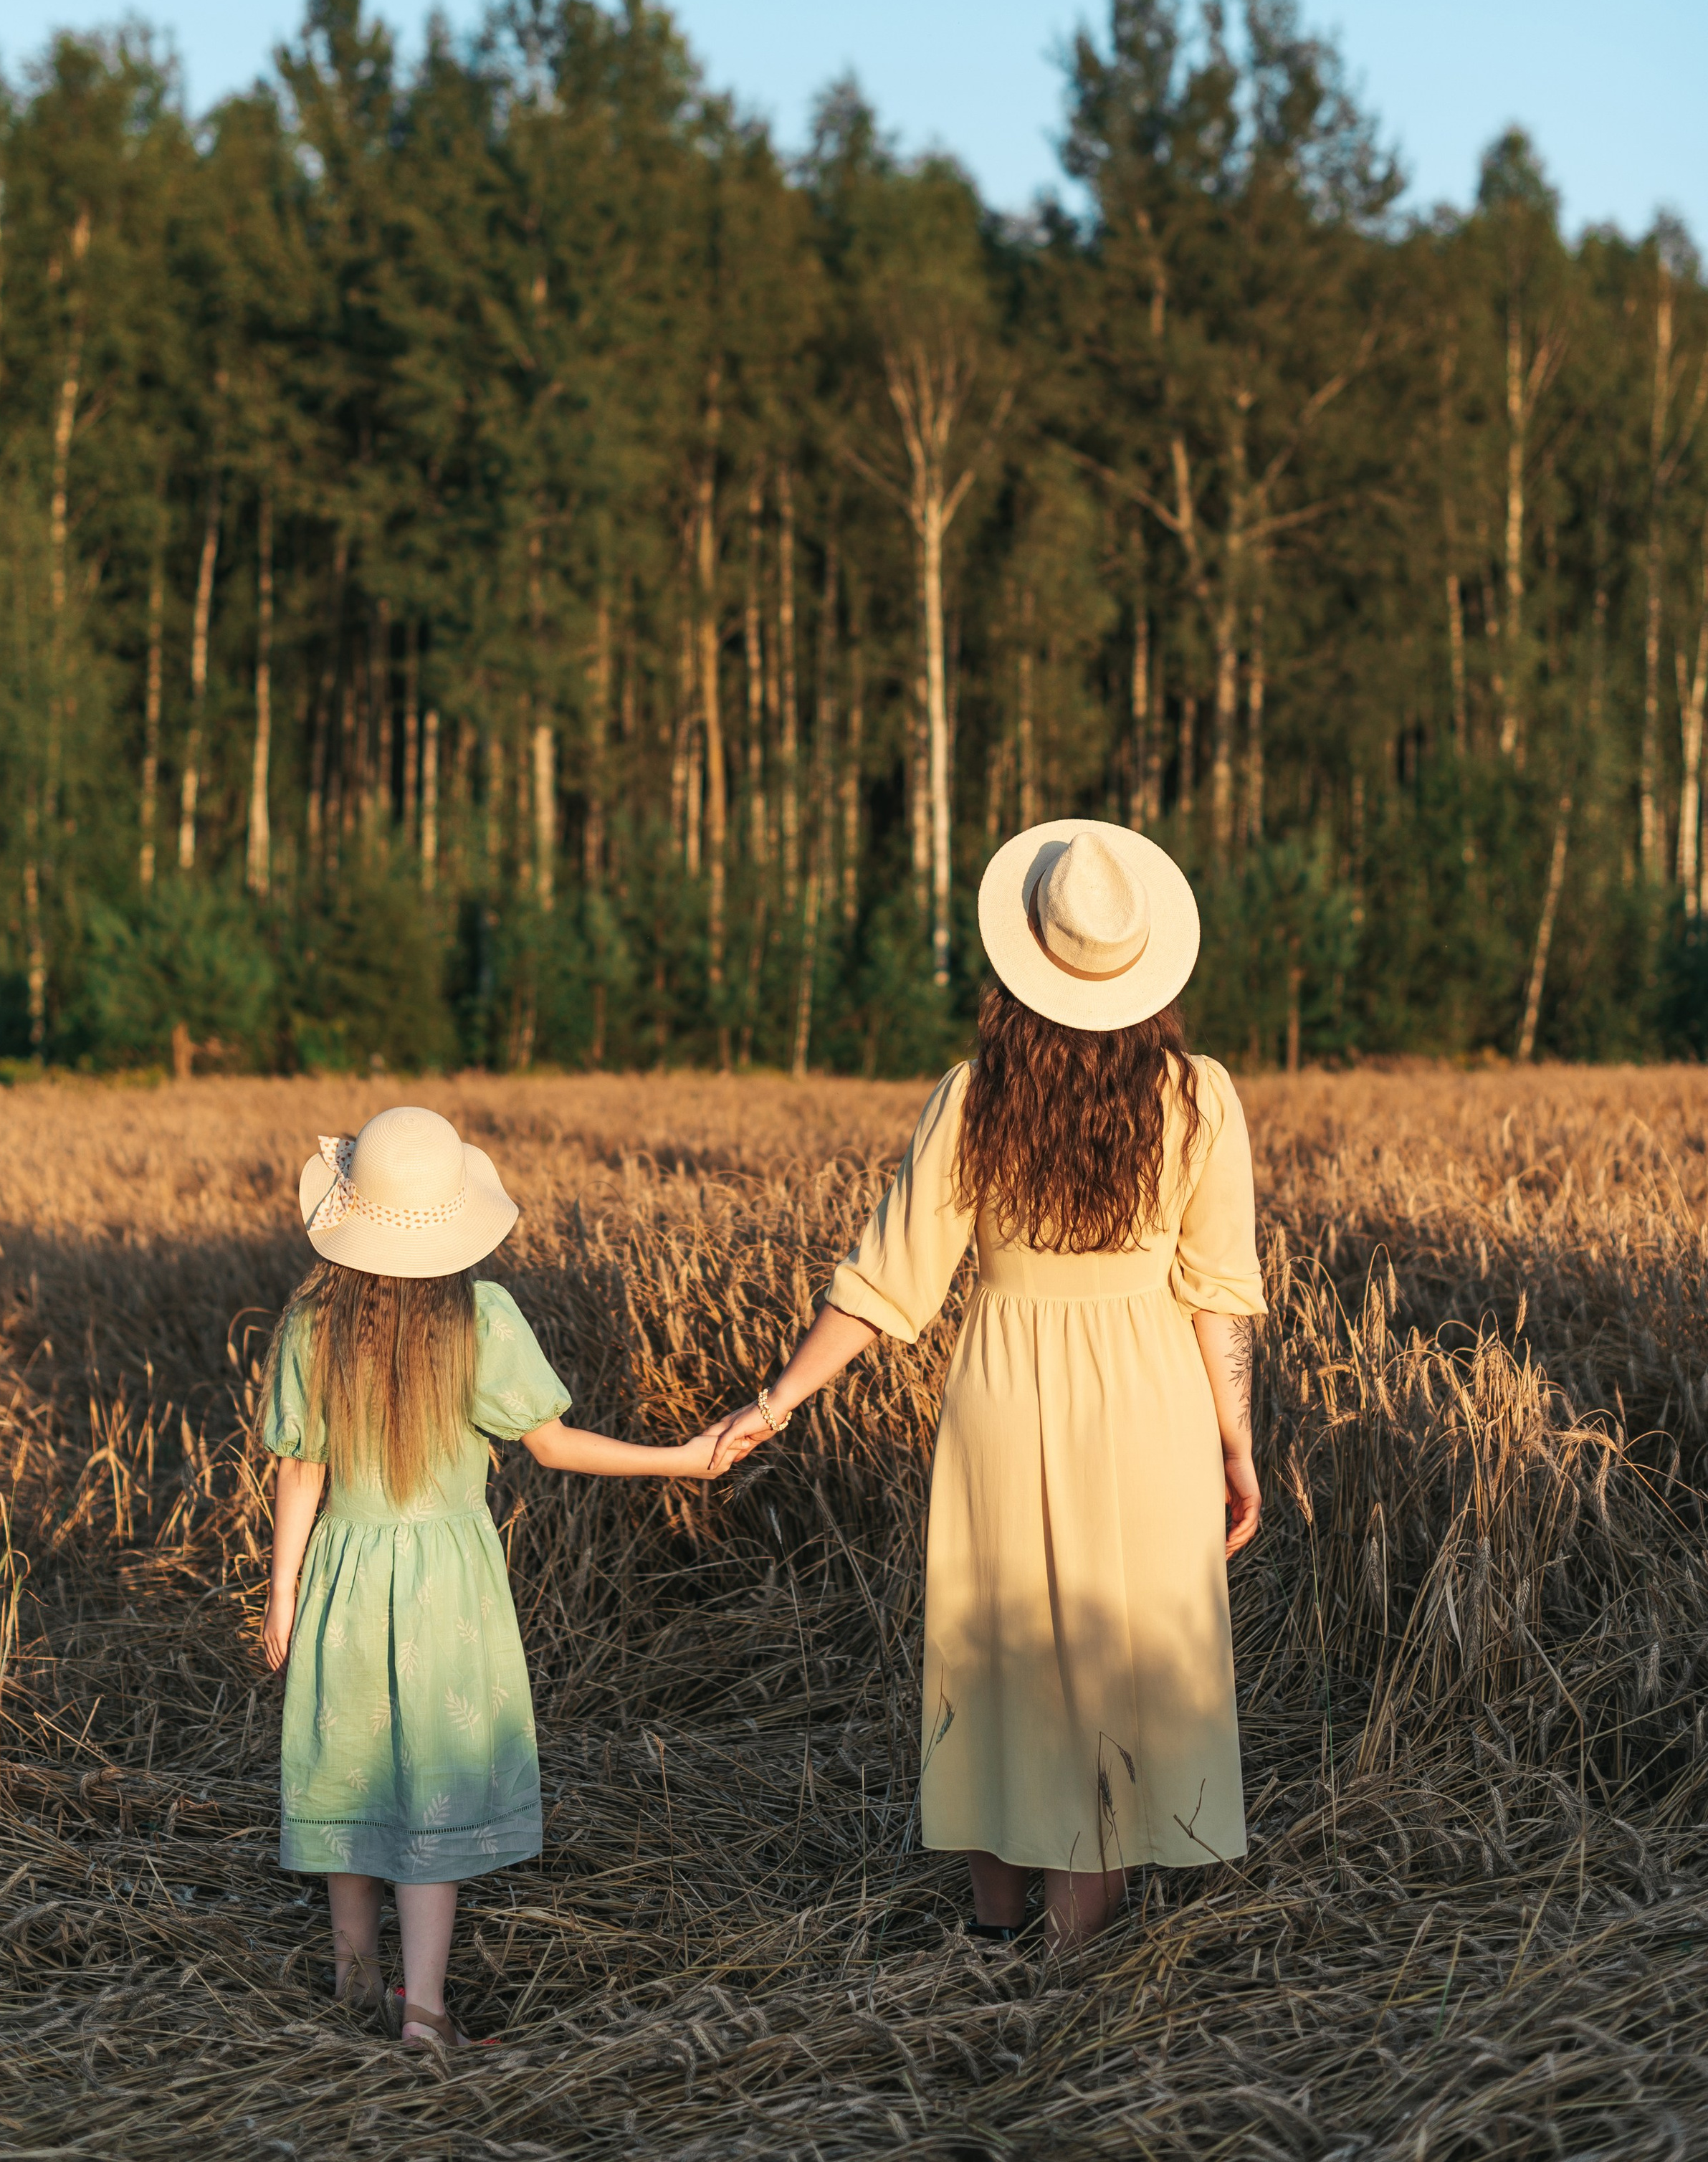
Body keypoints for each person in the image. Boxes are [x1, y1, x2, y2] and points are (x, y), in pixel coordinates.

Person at [710, 819, 1265, 1951]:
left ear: (1024, 962)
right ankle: (1077, 1958)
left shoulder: (975, 1097)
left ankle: (991, 1927)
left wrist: (773, 1401)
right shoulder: (1202, 1097)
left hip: (1005, 1399)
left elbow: (881, 1285)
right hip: (1152, 1405)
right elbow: (1219, 1291)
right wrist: (1235, 1441)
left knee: (999, 1652)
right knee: (1110, 1668)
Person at [260, 1103, 717, 2047]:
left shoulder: (311, 1324)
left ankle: (353, 1983)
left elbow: (298, 1466)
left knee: (349, 1767)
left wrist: (283, 1590)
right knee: (430, 1780)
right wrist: (677, 1456)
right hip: (448, 1589)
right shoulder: (483, 1320)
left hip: (345, 1570)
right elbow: (552, 1444)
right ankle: (422, 2014)